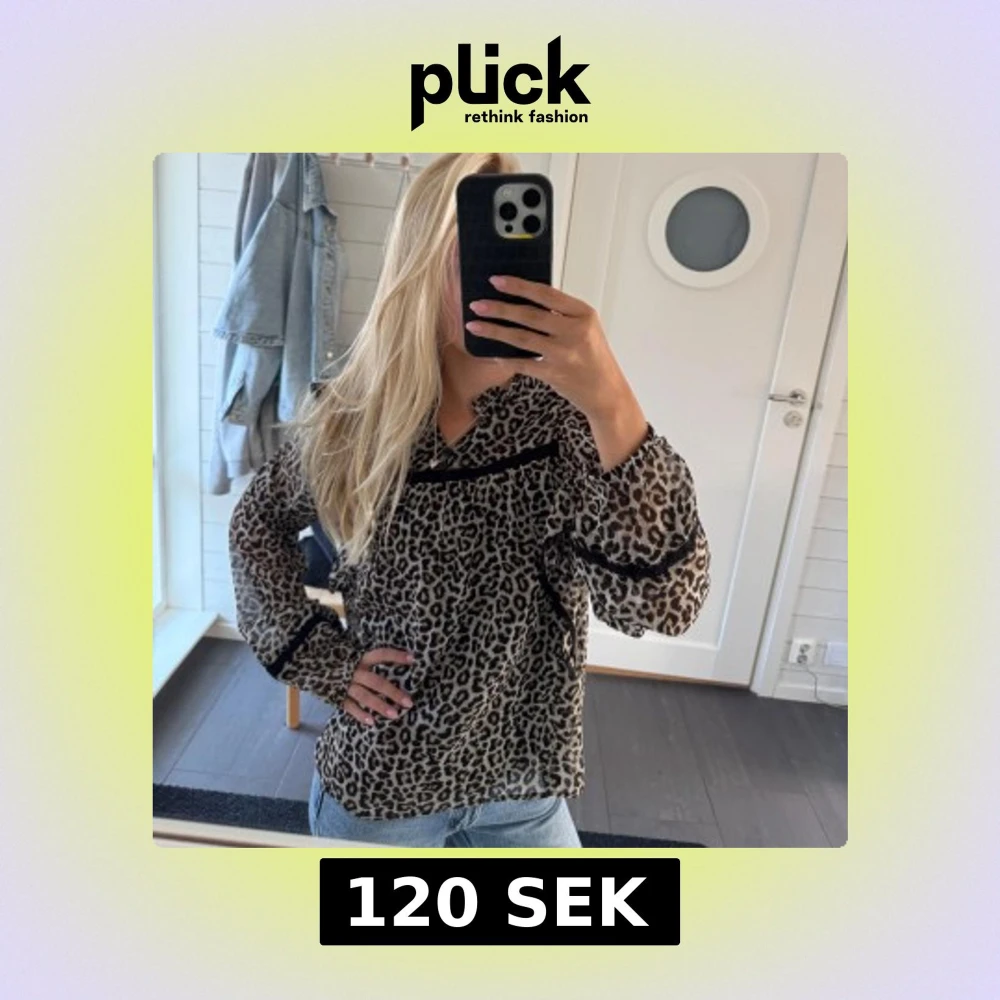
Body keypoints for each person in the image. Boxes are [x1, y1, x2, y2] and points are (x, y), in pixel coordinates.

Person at [227, 152, 711, 848]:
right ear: (421, 265)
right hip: (382, 784)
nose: (503, 278)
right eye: (478, 253)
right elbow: (257, 522)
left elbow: (663, 607)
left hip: (523, 789)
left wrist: (613, 402)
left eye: (516, 253)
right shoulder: (356, 420)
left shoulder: (569, 425)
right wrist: (322, 659)